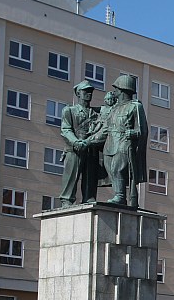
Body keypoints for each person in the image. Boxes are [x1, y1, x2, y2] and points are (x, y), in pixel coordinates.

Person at [103, 75, 148, 208]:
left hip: (124, 143)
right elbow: (105, 127)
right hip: (110, 144)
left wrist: (133, 133)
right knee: (110, 169)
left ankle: (120, 196)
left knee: (117, 168)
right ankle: (119, 193)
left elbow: (143, 130)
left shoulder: (135, 106)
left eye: (116, 88)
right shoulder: (113, 108)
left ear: (122, 90)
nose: (114, 91)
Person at [58, 81, 102, 208]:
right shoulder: (69, 111)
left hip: (90, 148)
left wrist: (89, 141)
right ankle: (67, 199)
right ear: (78, 93)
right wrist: (76, 142)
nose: (89, 93)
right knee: (72, 174)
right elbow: (65, 130)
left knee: (90, 176)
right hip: (74, 149)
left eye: (90, 91)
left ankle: (89, 197)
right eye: (85, 91)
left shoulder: (97, 113)